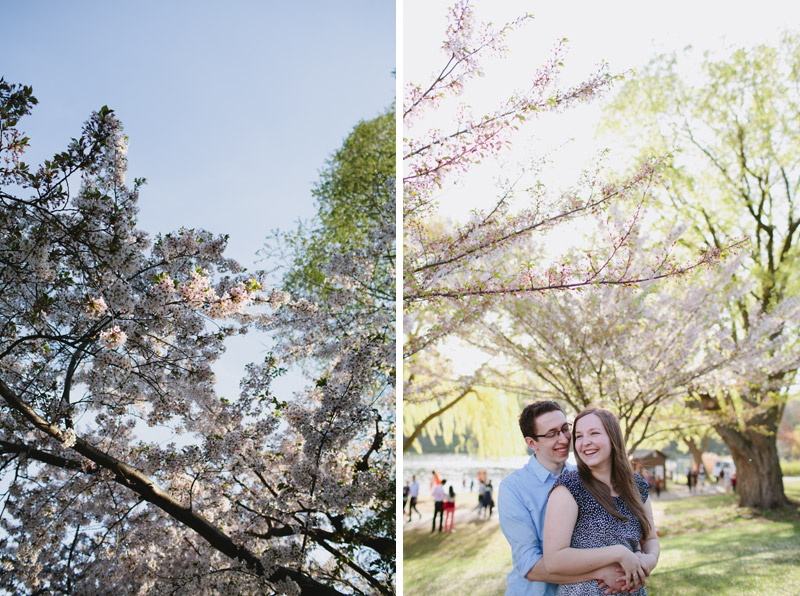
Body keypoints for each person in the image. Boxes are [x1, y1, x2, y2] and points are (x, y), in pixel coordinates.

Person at [498, 400, 628, 596]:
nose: (564, 440)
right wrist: (598, 573)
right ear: (532, 443)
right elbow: (530, 566)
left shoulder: (586, 476)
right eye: (551, 434)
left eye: (565, 429)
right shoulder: (513, 489)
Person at [542, 407, 660, 595]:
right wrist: (619, 553)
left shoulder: (636, 484)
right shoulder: (569, 487)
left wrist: (647, 561)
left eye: (594, 433)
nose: (585, 442)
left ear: (613, 439)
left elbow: (651, 539)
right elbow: (553, 560)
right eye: (579, 436)